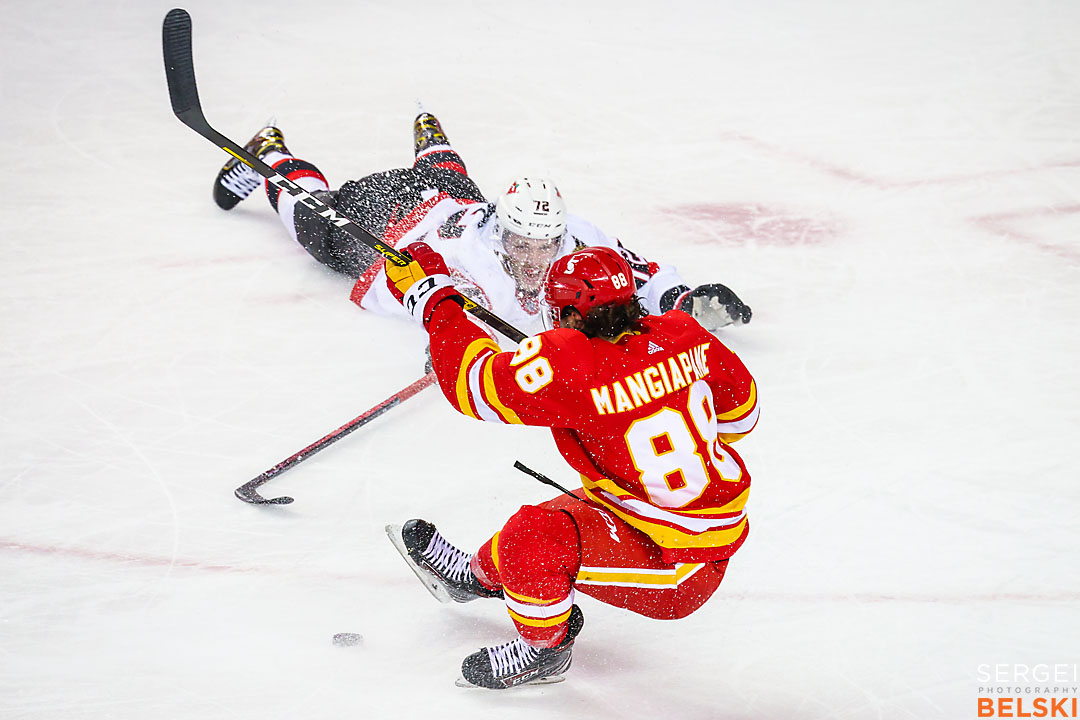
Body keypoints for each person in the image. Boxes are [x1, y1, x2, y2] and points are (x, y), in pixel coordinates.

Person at [382, 242, 759, 688]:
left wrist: (433, 297)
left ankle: (545, 649)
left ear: (575, 318)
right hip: (677, 518)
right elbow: (742, 414)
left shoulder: (572, 364)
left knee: (533, 536)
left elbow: (471, 383)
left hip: (679, 566)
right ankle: (479, 577)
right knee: (558, 521)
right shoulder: (682, 332)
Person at [211, 114, 752, 340]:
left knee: (455, 184)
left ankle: (432, 139)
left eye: (546, 245)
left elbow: (637, 274)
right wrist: (443, 326)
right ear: (501, 233)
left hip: (455, 200)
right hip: (394, 217)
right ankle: (270, 153)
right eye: (522, 244)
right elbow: (395, 286)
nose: (536, 257)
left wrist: (682, 299)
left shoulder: (581, 238)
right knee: (318, 227)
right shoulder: (466, 255)